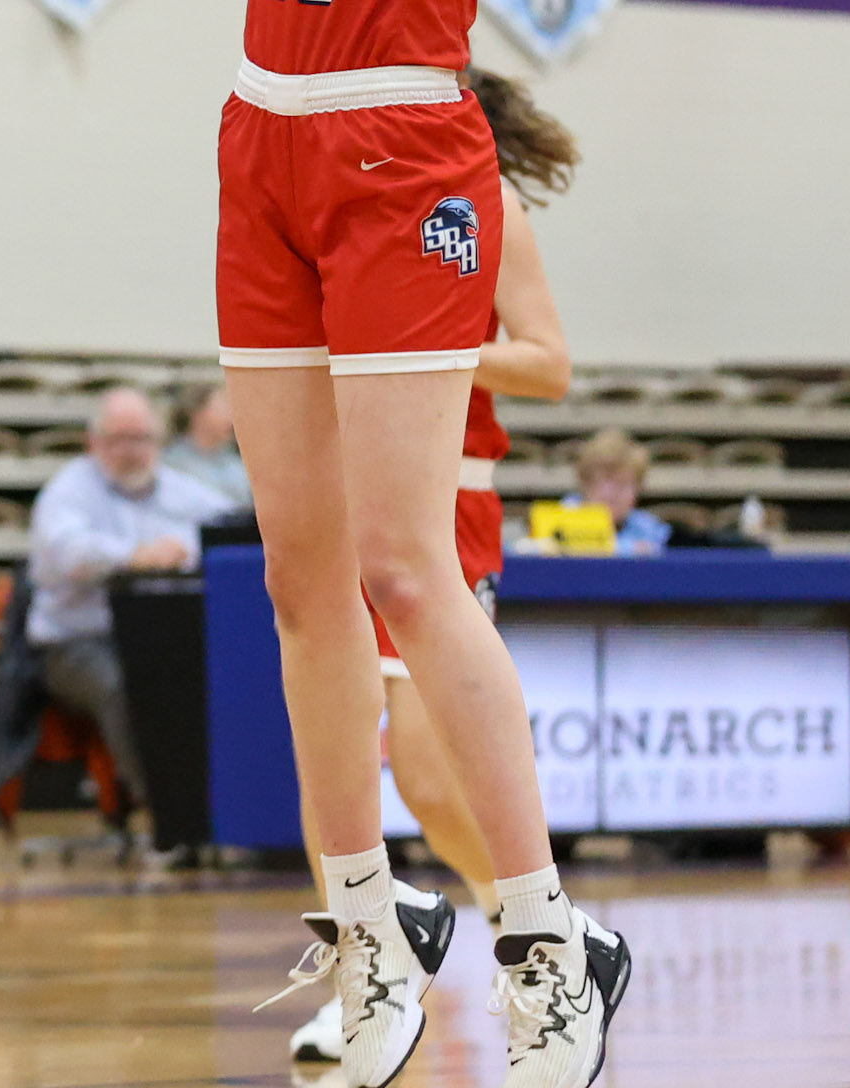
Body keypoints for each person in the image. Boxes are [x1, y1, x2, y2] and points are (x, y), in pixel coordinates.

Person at [142, 0, 730, 1088]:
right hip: (264, 146)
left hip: (404, 163)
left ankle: (549, 939)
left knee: (406, 564)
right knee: (298, 580)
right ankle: (370, 922)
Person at [292, 68, 578, 1065]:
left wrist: (427, 337)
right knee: (327, 747)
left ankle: (544, 938)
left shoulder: (487, 208)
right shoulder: (339, 199)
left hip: (448, 501)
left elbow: (549, 361)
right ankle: (362, 964)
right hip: (339, 490)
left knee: (423, 762)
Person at [26, 388, 231, 807]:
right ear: (93, 443)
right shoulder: (67, 491)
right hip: (75, 644)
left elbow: (232, 524)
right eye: (118, 439)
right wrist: (137, 556)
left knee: (214, 677)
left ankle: (220, 805)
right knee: (128, 686)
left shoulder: (178, 488)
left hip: (165, 635)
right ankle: (162, 809)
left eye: (141, 439)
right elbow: (69, 554)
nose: (131, 450)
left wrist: (183, 550)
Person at [563, 430, 671, 556]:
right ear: (585, 483)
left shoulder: (649, 529)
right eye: (606, 482)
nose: (614, 493)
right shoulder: (563, 516)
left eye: (624, 484)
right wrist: (630, 549)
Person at [165, 382, 252, 507]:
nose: (231, 417)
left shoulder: (236, 463)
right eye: (224, 408)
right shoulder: (172, 465)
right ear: (197, 413)